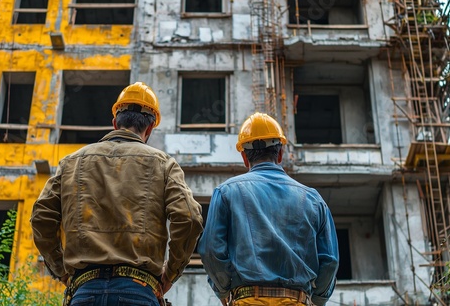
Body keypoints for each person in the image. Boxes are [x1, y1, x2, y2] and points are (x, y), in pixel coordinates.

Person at [31, 82, 203, 306]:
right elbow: (190, 218)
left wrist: (61, 270)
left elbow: (41, 217)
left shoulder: (71, 162)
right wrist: (170, 273)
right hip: (138, 292)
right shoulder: (164, 164)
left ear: (115, 123)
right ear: (150, 128)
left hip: (84, 291)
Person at [198, 112, 339, 306]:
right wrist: (317, 299)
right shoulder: (313, 199)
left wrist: (223, 290)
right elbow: (330, 261)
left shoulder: (226, 192)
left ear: (244, 157)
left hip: (247, 300)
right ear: (280, 153)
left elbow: (211, 250)